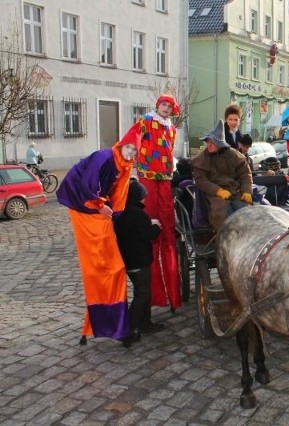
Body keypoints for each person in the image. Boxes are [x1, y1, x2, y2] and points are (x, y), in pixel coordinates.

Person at [56, 120, 144, 348]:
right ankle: (113, 326)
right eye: (129, 148)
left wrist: (114, 213)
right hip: (84, 207)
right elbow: (88, 184)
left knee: (112, 270)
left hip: (97, 210)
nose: (131, 152)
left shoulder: (124, 167)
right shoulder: (104, 156)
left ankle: (113, 326)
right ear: (121, 144)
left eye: (135, 150)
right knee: (105, 270)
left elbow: (119, 197)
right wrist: (100, 205)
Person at [135, 94, 182, 312]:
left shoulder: (172, 128)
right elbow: (131, 141)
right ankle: (155, 294)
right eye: (164, 104)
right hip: (147, 175)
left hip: (164, 177)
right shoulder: (145, 120)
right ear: (157, 105)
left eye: (170, 106)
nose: (166, 108)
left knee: (168, 233)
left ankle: (173, 294)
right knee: (152, 229)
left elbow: (169, 151)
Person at [114, 179, 163, 342]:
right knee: (142, 295)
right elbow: (148, 234)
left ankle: (145, 323)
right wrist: (156, 226)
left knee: (144, 293)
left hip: (128, 260)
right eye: (143, 196)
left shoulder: (122, 212)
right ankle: (128, 329)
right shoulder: (137, 213)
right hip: (139, 261)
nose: (145, 199)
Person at [191, 119, 253, 233]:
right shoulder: (201, 159)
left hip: (234, 191)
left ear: (220, 143)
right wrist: (218, 191)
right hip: (213, 195)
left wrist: (247, 191)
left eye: (212, 142)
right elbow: (201, 180)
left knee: (248, 213)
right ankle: (221, 240)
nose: (209, 144)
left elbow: (245, 173)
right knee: (222, 214)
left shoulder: (232, 154)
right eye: (208, 141)